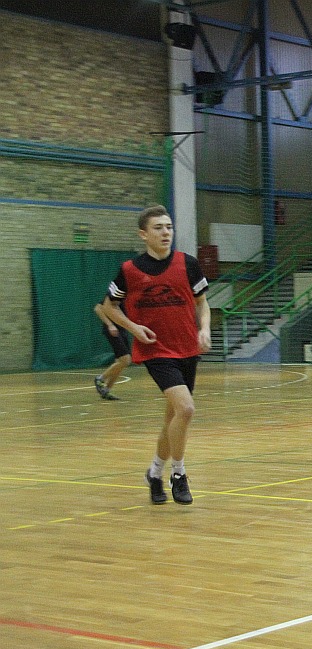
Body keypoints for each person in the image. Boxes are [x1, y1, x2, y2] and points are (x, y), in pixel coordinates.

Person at [102, 205, 211, 505]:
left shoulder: (188, 264)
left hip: (187, 348)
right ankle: (179, 473)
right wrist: (133, 328)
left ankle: (154, 473)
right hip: (155, 351)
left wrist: (205, 329)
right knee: (186, 409)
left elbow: (203, 303)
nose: (166, 232)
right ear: (143, 234)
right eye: (159, 228)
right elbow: (109, 306)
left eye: (169, 227)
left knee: (173, 418)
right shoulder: (129, 271)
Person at [93, 300, 132, 400]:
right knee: (125, 360)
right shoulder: (117, 293)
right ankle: (100, 379)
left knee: (120, 362)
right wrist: (110, 325)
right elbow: (97, 308)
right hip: (113, 331)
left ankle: (106, 391)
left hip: (122, 330)